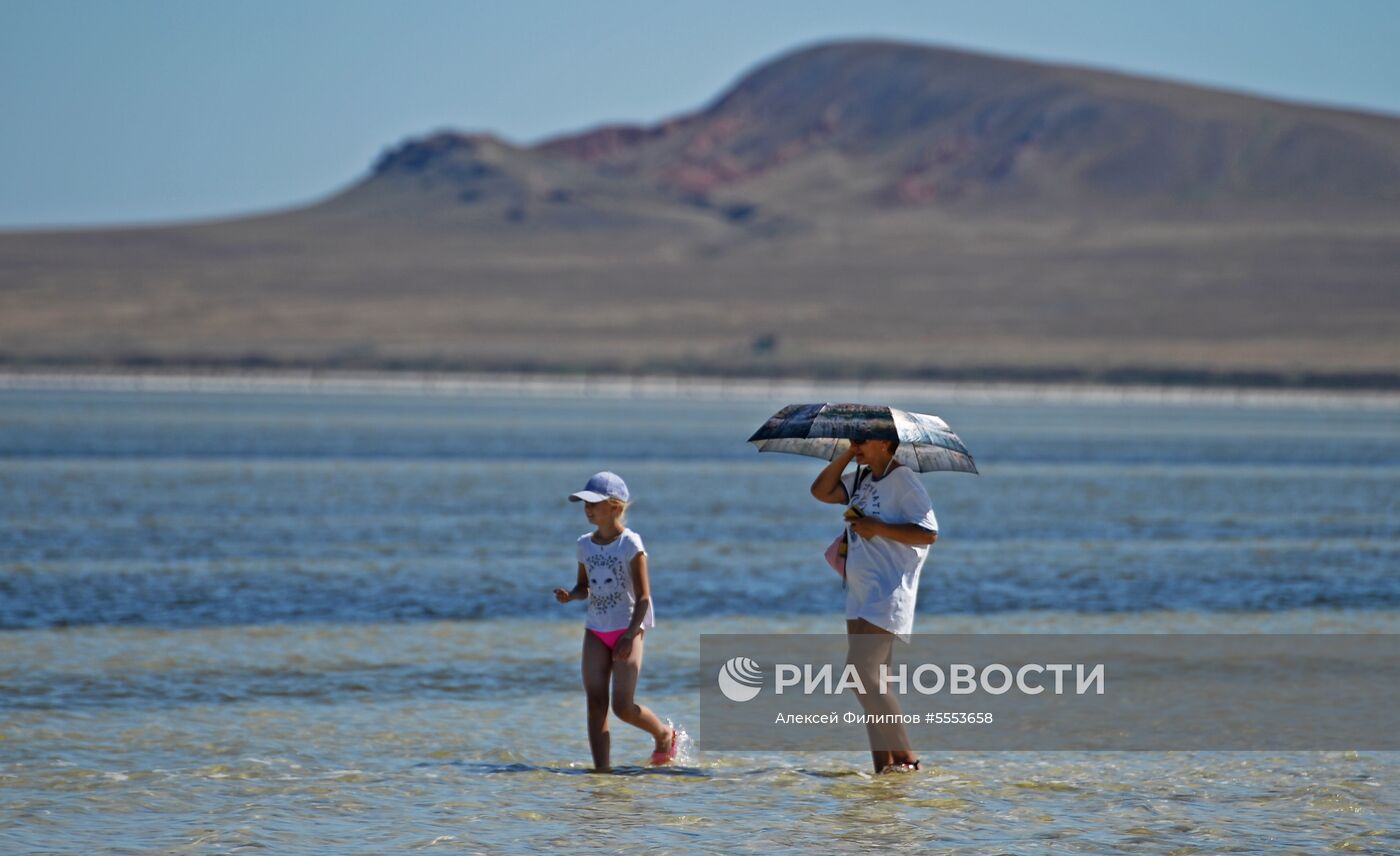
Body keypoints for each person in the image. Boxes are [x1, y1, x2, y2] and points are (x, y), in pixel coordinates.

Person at [810, 435, 938, 774]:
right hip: (859, 592)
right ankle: (885, 768)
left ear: (884, 442)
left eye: (862, 440)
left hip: (889, 592)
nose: (856, 444)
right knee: (873, 685)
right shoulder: (863, 478)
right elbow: (821, 491)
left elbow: (928, 533)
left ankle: (908, 758)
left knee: (860, 673)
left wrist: (876, 527)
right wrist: (846, 455)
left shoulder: (904, 481)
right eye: (853, 440)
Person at [554, 471, 677, 772]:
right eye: (584, 503)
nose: (587, 509)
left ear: (615, 507)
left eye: (593, 504)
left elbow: (645, 596)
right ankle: (602, 774)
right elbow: (585, 586)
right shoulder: (584, 545)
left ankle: (663, 735)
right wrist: (571, 595)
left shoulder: (630, 544)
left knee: (622, 707)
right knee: (596, 703)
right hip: (596, 629)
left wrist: (630, 635)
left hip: (628, 629)